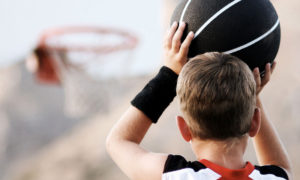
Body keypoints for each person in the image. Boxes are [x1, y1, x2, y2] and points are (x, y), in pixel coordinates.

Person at [106, 22, 292, 180]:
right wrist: (252, 97)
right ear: (255, 122)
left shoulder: (177, 176)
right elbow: (280, 167)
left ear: (184, 128)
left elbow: (118, 142)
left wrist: (169, 74)